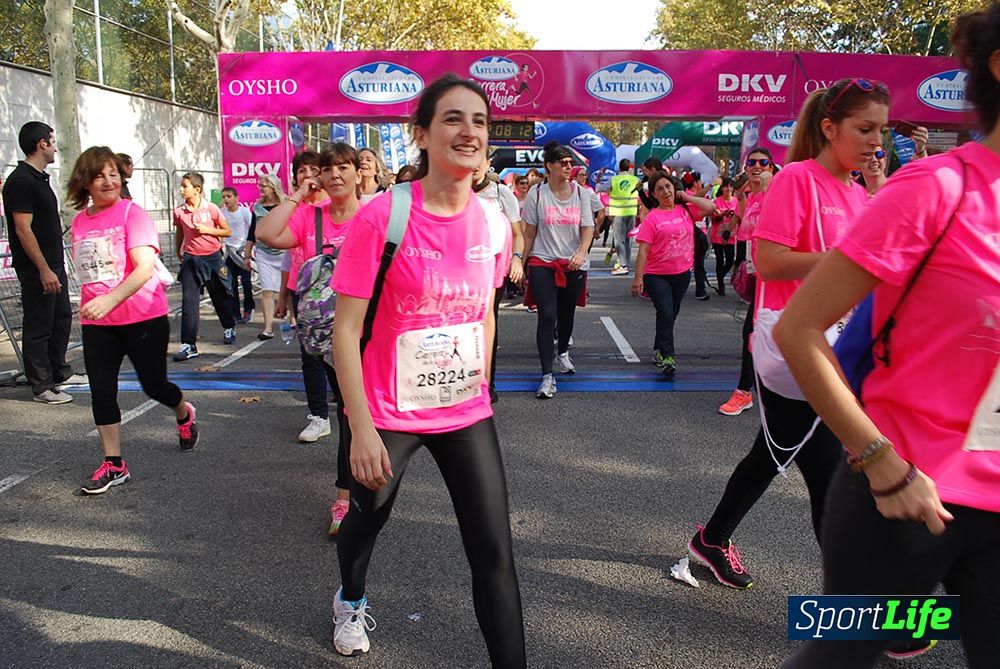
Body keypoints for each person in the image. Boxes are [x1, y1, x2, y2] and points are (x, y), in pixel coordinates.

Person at [779, 7, 1000, 666]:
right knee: (840, 656)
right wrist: (879, 459)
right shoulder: (939, 188)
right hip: (903, 498)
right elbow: (800, 327)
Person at [329, 74, 523, 665]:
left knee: (494, 550)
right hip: (389, 412)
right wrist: (361, 429)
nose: (470, 132)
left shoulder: (494, 222)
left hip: (464, 410)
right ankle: (351, 598)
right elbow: (344, 328)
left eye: (480, 122)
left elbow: (485, 314)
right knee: (365, 523)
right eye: (454, 119)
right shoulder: (383, 216)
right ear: (421, 134)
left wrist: (480, 384)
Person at [688, 77, 888, 590]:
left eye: (880, 130)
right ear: (830, 128)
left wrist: (879, 192)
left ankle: (711, 539)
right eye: (864, 128)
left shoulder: (857, 190)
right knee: (831, 475)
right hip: (791, 343)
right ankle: (864, 605)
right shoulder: (798, 177)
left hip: (838, 343)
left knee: (777, 454)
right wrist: (846, 262)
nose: (875, 140)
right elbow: (768, 261)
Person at [67, 147, 198, 494]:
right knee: (101, 390)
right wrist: (96, 303)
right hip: (98, 323)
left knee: (154, 386)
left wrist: (109, 299)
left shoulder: (132, 213)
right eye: (100, 175)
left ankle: (183, 411)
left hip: (143, 318)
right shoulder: (80, 221)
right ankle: (114, 464)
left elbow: (142, 269)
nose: (109, 181)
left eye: (113, 174)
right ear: (85, 181)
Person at [256, 142, 362, 537]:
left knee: (358, 413)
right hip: (324, 334)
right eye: (328, 169)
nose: (335, 175)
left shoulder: (373, 215)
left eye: (344, 168)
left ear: (357, 174)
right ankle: (346, 496)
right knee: (350, 413)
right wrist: (299, 194)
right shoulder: (310, 218)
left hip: (368, 331)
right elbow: (266, 233)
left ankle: (353, 491)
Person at [2, 121, 85, 404]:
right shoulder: (21, 181)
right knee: (39, 324)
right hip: (39, 268)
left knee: (61, 317)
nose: (55, 147)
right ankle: (41, 386)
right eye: (52, 141)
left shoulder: (40, 178)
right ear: (41, 144)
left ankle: (59, 370)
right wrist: (43, 269)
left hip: (54, 263)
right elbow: (23, 229)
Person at [523, 141, 595, 399]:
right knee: (547, 316)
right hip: (542, 262)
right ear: (549, 166)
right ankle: (547, 375)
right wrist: (520, 261)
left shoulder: (581, 194)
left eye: (570, 163)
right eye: (563, 163)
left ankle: (563, 351)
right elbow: (529, 232)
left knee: (566, 316)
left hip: (573, 264)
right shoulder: (537, 194)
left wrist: (581, 252)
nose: (568, 167)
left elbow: (588, 228)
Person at [631, 172, 716, 377]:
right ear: (653, 194)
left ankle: (659, 349)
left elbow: (711, 208)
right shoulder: (652, 217)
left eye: (668, 186)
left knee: (670, 313)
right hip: (656, 275)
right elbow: (643, 249)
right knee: (667, 312)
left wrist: (686, 197)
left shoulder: (685, 210)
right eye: (660, 189)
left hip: (682, 273)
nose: (665, 191)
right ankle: (668, 357)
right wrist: (638, 278)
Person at [719, 149, 777, 417]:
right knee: (758, 333)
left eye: (762, 162)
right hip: (757, 276)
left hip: (776, 278)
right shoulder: (751, 197)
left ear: (772, 166)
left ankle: (745, 391)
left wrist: (768, 188)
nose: (756, 166)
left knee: (753, 332)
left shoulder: (777, 193)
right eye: (751, 162)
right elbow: (744, 233)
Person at [473, 156, 525, 402]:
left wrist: (516, 258)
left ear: (487, 163)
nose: (473, 165)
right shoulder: (451, 190)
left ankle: (486, 382)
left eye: (479, 159)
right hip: (460, 270)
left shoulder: (502, 193)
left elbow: (518, 234)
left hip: (492, 269)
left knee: (486, 322)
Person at [172, 172, 237, 361]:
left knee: (220, 296)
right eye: (181, 186)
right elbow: (179, 232)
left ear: (197, 189)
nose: (181, 189)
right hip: (192, 259)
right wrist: (179, 251)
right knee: (189, 301)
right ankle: (188, 344)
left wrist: (208, 230)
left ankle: (229, 326)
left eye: (185, 186)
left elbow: (227, 231)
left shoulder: (212, 209)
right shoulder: (179, 211)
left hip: (213, 258)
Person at [245, 174, 290, 340]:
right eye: (259, 185)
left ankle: (292, 319)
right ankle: (268, 327)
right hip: (264, 252)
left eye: (263, 185)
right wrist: (247, 254)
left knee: (288, 288)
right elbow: (252, 231)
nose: (260, 188)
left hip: (285, 250)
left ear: (273, 186)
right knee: (267, 290)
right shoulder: (257, 207)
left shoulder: (286, 203)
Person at [220, 186, 255, 325]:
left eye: (229, 196)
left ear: (236, 198)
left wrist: (250, 250)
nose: (226, 199)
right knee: (231, 284)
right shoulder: (221, 213)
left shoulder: (244, 212)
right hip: (229, 253)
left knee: (246, 282)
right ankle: (235, 313)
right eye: (223, 197)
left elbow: (253, 230)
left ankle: (248, 308)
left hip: (242, 252)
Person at [599, 159, 640, 275]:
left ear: (620, 168)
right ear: (629, 168)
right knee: (628, 239)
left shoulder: (614, 179)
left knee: (619, 239)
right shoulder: (635, 179)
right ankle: (625, 262)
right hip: (631, 211)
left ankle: (623, 265)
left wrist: (600, 177)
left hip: (618, 211)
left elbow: (599, 188)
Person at [709, 177, 738, 296]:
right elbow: (714, 219)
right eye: (726, 186)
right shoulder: (716, 202)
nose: (729, 189)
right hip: (717, 236)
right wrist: (723, 214)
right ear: (722, 188)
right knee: (720, 261)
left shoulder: (736, 201)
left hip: (731, 236)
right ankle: (721, 285)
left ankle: (720, 276)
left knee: (730, 260)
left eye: (731, 186)